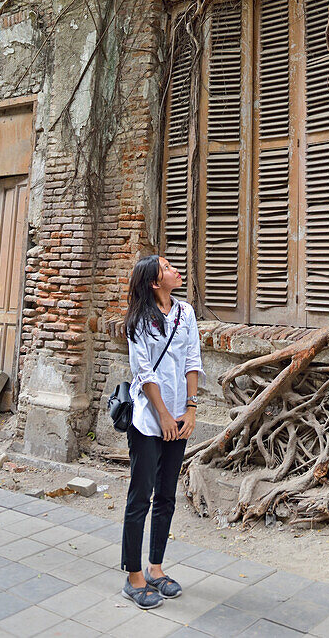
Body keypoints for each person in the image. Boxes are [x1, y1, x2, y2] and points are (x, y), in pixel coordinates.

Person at [120, 254, 203, 610]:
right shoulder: (138, 320)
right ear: (155, 283)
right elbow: (144, 373)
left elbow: (192, 361)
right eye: (168, 268)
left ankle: (155, 567)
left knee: (167, 495)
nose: (176, 270)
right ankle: (134, 576)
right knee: (141, 497)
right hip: (148, 420)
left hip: (180, 418)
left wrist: (191, 409)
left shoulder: (185, 313)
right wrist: (165, 416)